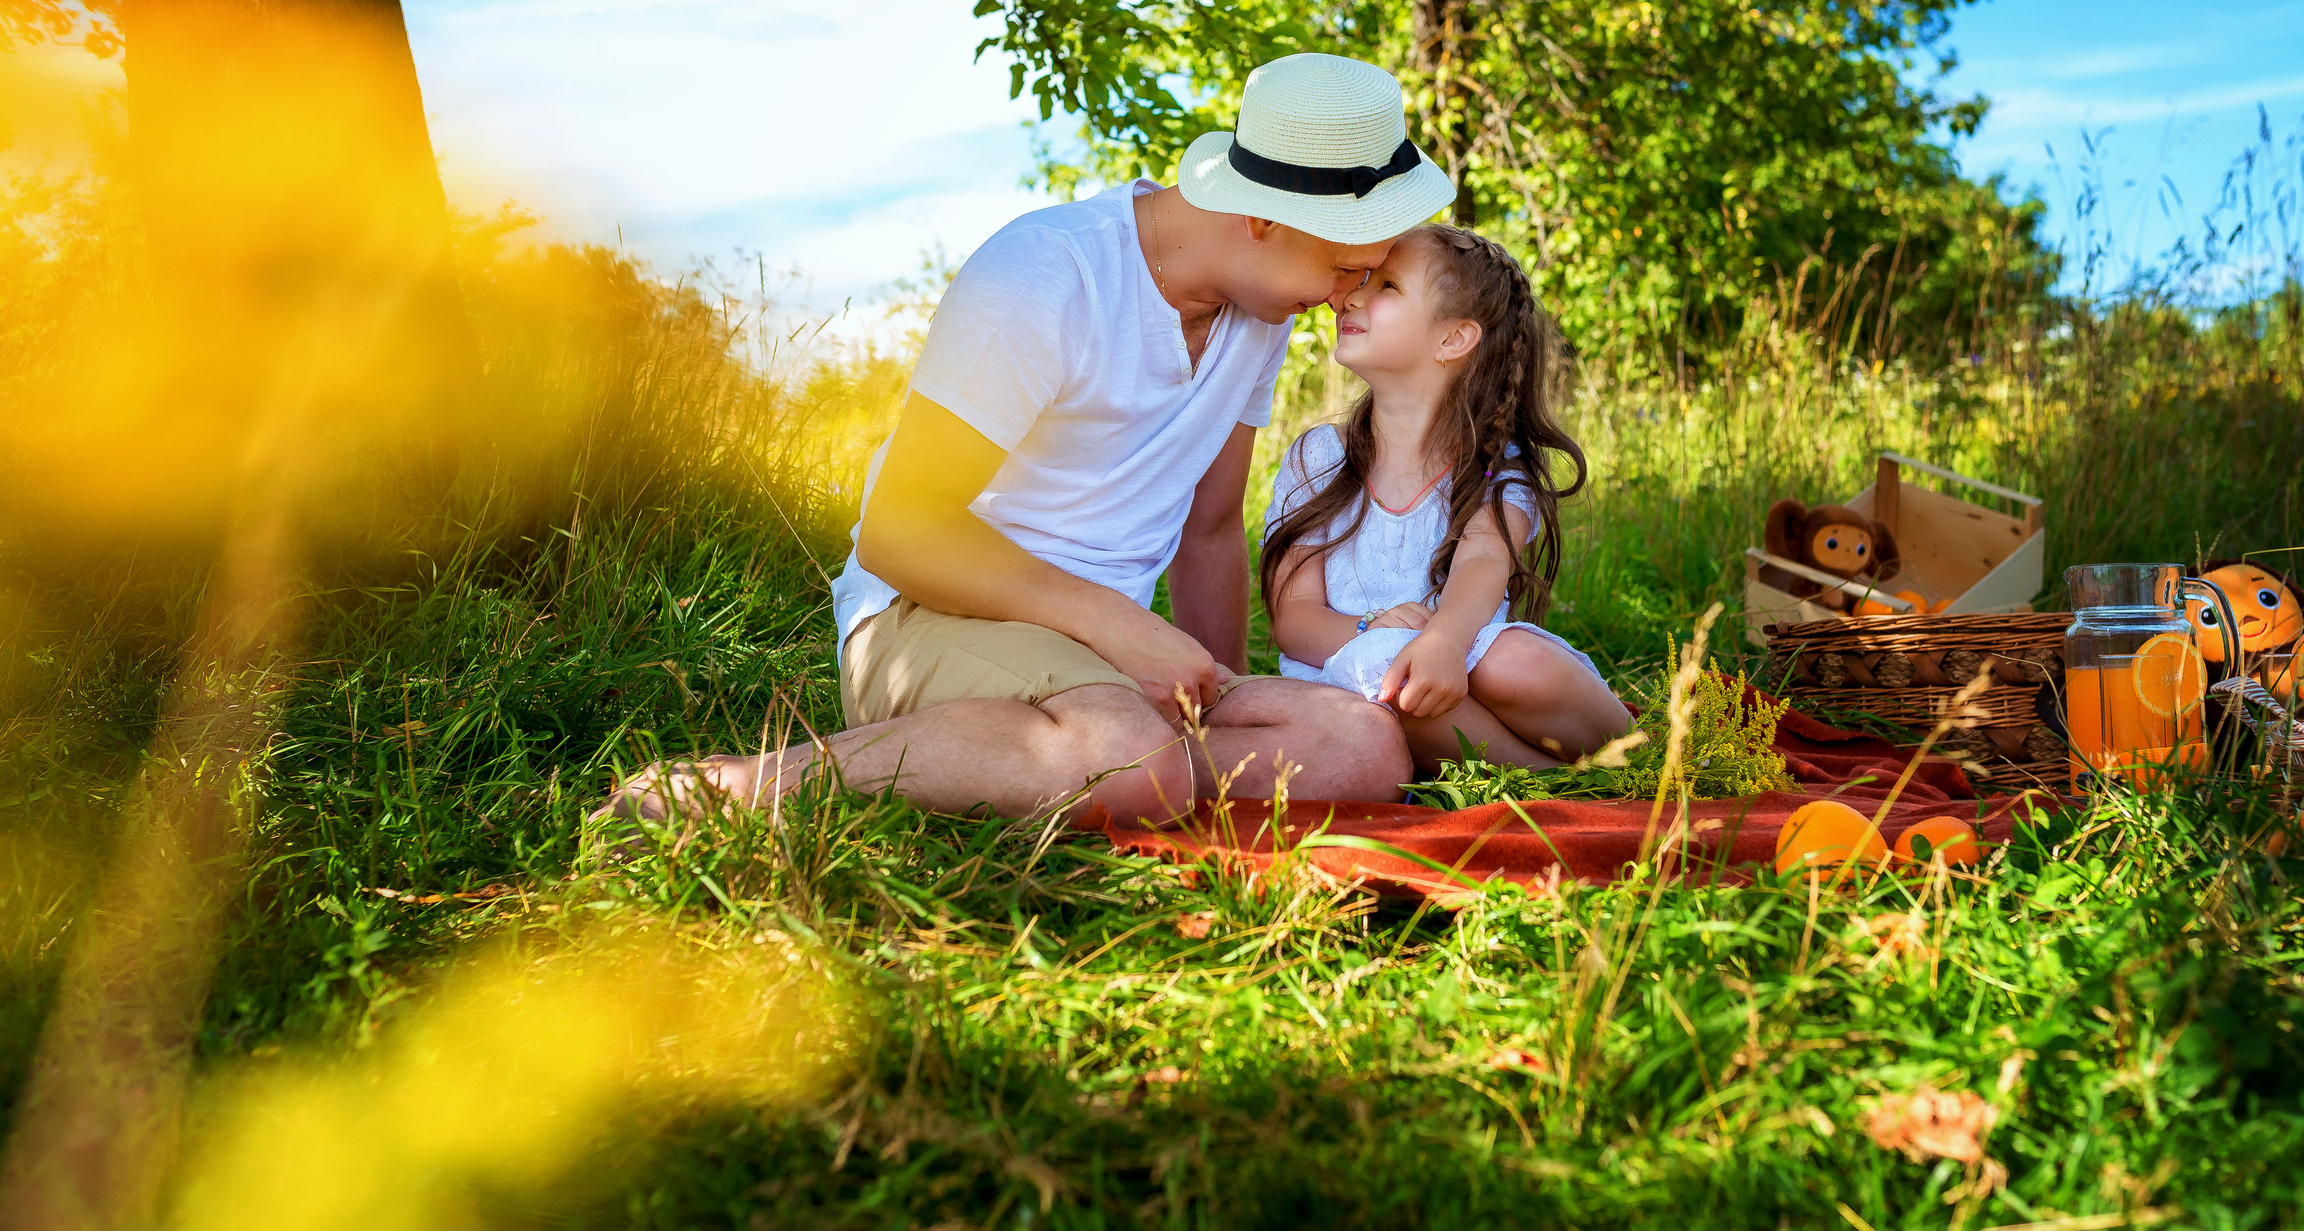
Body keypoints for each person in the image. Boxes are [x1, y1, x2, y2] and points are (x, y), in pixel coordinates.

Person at [597, 53, 1453, 832]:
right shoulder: (1047, 273)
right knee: (1136, 761)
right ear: (1263, 219)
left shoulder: (1260, 313)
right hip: (931, 614)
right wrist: (1121, 626)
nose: (1347, 297)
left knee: (1364, 749)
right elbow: (901, 532)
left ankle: (1081, 763)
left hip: (1101, 655)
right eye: (1345, 269)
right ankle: (748, 787)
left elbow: (1211, 526)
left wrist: (1216, 692)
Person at [1262, 225, 1633, 769]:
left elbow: (1484, 558)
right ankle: (1546, 778)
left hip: (1465, 656)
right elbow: (1293, 622)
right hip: (1353, 674)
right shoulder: (1318, 459)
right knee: (1394, 675)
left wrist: (1444, 640)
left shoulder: (1497, 466)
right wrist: (1374, 627)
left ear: (1453, 340)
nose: (1351, 294)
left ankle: (1643, 754)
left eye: (1386, 285)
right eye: (1361, 278)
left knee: (1515, 661)